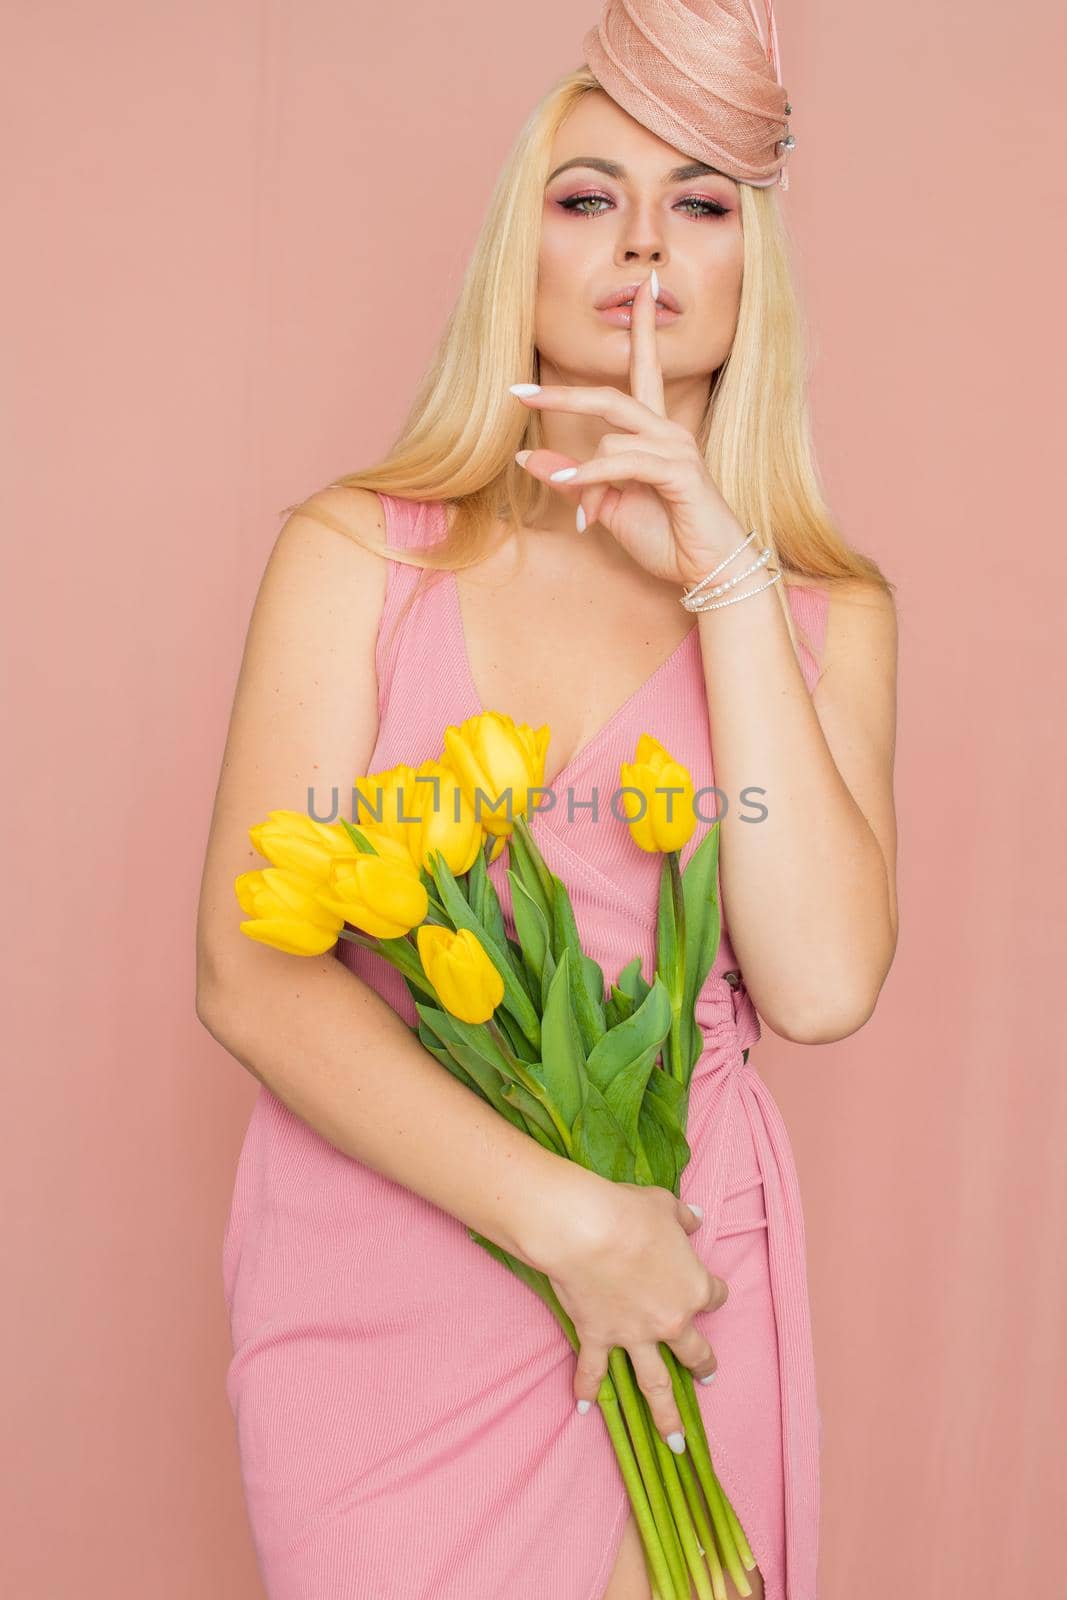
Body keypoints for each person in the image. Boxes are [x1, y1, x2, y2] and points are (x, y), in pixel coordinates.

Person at [195, 4, 898, 1597]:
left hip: (683, 1270)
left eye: (702, 201)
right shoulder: (360, 553)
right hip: (393, 1282)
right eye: (588, 199)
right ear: (521, 249)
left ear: (752, 262)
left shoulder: (821, 617)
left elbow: (823, 981)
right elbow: (249, 975)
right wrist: (573, 1225)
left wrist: (726, 577)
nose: (644, 243)